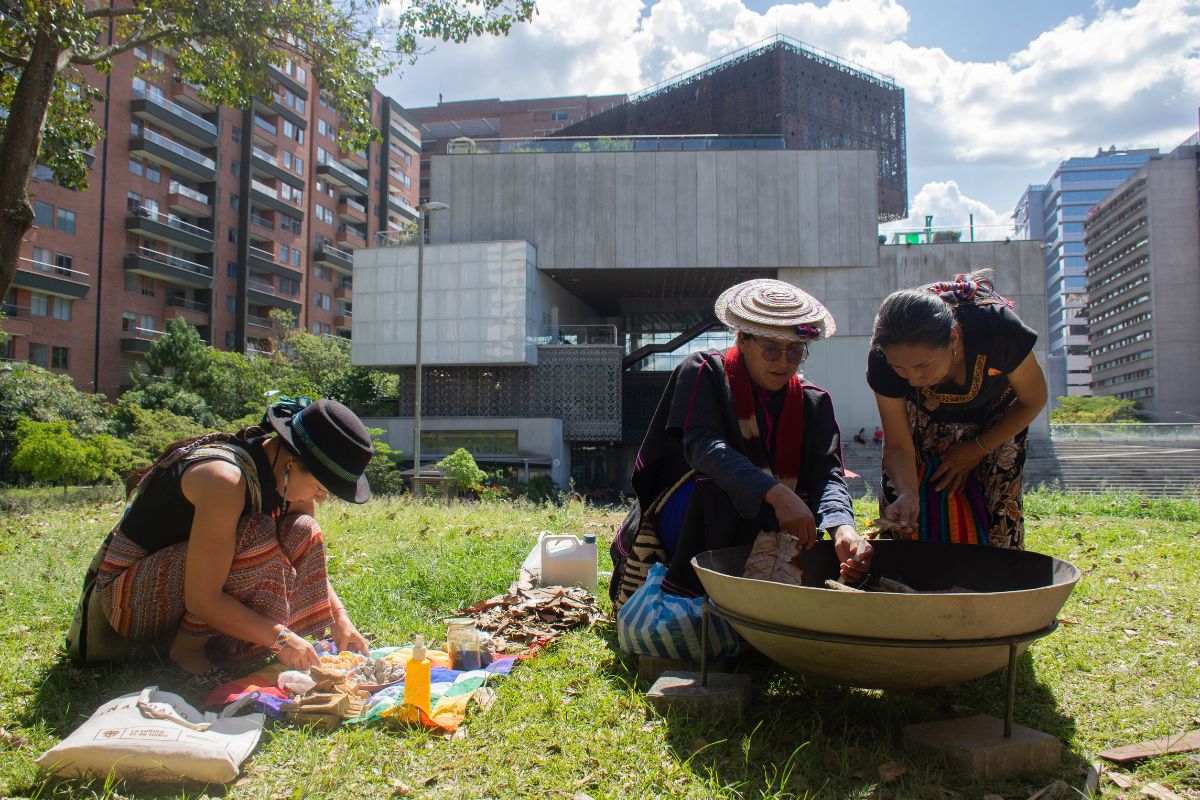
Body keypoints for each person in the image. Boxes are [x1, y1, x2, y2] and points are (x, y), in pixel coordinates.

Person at [611, 279, 872, 605]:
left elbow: (827, 475)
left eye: (794, 351)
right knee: (718, 484)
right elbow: (704, 447)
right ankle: (698, 589)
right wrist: (777, 494)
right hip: (697, 517)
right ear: (742, 340)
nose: (784, 362)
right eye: (771, 349)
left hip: (771, 527)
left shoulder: (813, 402)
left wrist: (842, 527)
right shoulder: (705, 372)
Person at [93, 397, 375, 689]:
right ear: (291, 462)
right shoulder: (224, 480)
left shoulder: (285, 482)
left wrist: (339, 618)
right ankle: (187, 652)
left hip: (190, 595)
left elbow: (305, 554)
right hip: (133, 599)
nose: (320, 498)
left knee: (304, 530)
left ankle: (220, 644)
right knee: (256, 533)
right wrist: (281, 638)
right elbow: (202, 599)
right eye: (319, 488)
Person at [867, 271, 1048, 548]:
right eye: (900, 368)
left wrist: (977, 449)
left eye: (923, 365)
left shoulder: (998, 329)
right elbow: (899, 444)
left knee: (999, 519)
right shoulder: (882, 357)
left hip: (997, 420)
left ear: (953, 337)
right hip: (923, 419)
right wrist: (907, 492)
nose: (912, 379)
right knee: (906, 524)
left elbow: (1033, 399)